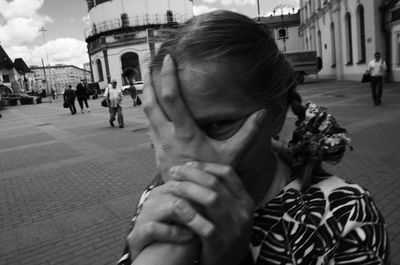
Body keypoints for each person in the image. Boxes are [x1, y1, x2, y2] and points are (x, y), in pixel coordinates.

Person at [118, 10, 389, 265]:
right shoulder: (157, 196)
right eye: (171, 124)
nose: (191, 155)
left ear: (277, 113)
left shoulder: (345, 216)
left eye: (219, 124)